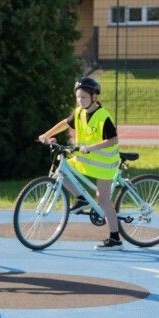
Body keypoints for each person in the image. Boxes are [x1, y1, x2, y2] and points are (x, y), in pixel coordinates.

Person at [37, 76, 122, 249]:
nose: (80, 100)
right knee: (62, 168)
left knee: (103, 199)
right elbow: (65, 123)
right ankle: (82, 198)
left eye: (83, 97)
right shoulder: (79, 112)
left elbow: (113, 140)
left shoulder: (103, 116)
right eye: (78, 97)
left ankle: (115, 239)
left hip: (104, 164)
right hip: (86, 159)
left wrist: (91, 148)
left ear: (94, 97)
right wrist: (46, 134)